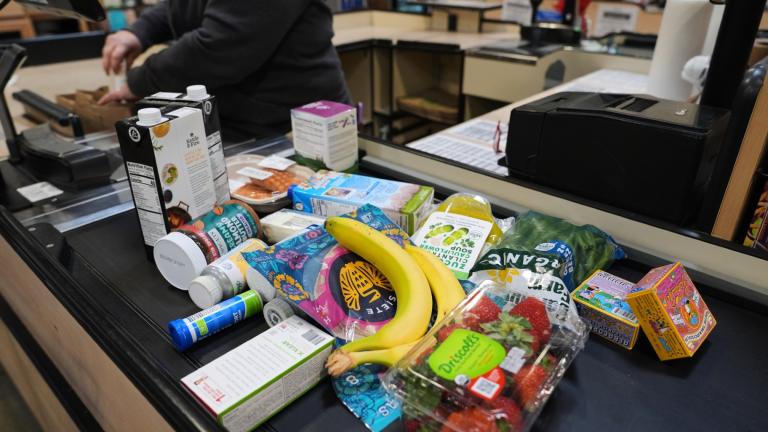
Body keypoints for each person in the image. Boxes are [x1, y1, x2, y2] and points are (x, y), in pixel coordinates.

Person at [99, 1, 351, 138]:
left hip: (297, 128)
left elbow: (218, 47)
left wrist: (139, 82)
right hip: (244, 120)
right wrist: (138, 32)